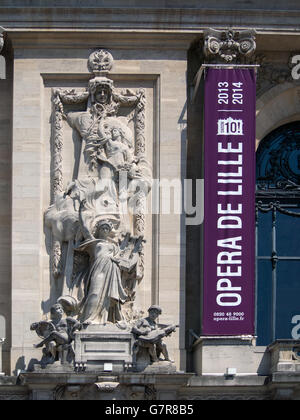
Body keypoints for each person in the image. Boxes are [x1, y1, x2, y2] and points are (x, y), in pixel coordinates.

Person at [75, 200, 128, 324]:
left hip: (111, 270)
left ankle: (105, 319)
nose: (105, 229)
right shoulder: (95, 243)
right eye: (102, 227)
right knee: (94, 292)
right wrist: (81, 212)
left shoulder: (114, 246)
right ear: (98, 230)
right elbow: (85, 229)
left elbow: (121, 258)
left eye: (107, 228)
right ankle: (89, 318)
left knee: (108, 297)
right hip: (98, 269)